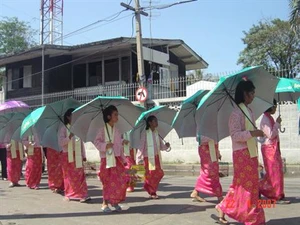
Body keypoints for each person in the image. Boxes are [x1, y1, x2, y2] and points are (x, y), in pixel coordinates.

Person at [216, 80, 266, 225]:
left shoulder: (249, 111)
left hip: (251, 154)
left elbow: (249, 135)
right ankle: (252, 217)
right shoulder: (236, 113)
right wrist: (252, 132)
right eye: (251, 93)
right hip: (241, 154)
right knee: (245, 187)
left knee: (247, 186)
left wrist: (255, 134)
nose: (253, 96)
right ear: (244, 94)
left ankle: (225, 207)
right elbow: (235, 135)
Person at [93, 105, 128, 213]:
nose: (117, 117)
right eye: (115, 114)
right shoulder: (102, 130)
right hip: (106, 160)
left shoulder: (117, 131)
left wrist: (123, 158)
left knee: (120, 181)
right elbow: (96, 142)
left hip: (117, 159)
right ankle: (104, 204)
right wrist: (105, 145)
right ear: (108, 116)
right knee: (107, 182)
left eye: (117, 114)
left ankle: (115, 201)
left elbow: (118, 146)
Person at [259, 100, 290, 204]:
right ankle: (276, 195)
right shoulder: (265, 119)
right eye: (274, 107)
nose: (275, 109)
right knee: (274, 173)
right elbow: (271, 135)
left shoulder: (269, 118)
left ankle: (270, 191)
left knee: (276, 172)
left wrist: (276, 123)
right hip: (269, 149)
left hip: (273, 148)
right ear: (269, 107)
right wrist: (277, 123)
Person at [58, 108, 90, 203]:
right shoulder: (63, 129)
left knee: (80, 175)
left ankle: (82, 194)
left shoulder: (77, 128)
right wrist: (69, 137)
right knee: (68, 175)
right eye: (73, 116)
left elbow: (81, 143)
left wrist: (84, 154)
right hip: (67, 155)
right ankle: (68, 194)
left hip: (78, 155)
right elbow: (61, 143)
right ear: (68, 117)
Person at [137, 115, 171, 199]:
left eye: (156, 121)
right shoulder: (145, 133)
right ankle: (152, 192)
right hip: (147, 158)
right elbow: (141, 146)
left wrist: (166, 146)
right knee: (151, 175)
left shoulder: (156, 133)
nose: (157, 123)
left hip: (156, 157)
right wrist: (139, 158)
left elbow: (161, 147)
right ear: (150, 123)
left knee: (159, 173)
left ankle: (148, 186)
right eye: (155, 121)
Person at [190, 135, 223, 203]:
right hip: (206, 150)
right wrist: (212, 137)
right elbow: (199, 138)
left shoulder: (213, 125)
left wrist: (218, 153)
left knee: (211, 172)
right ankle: (219, 196)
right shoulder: (202, 125)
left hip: (213, 150)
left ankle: (195, 192)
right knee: (209, 172)